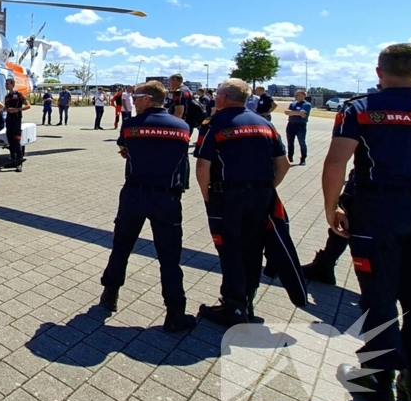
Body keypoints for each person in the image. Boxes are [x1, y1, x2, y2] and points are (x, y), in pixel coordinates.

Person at [324, 43, 411, 401]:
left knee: (379, 298)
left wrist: (332, 209)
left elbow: (335, 162)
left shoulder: (360, 108)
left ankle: (378, 378)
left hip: (377, 211)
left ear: (378, 71)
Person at [99, 81, 197, 332]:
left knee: (121, 247)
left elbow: (124, 149)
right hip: (167, 198)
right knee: (170, 257)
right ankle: (175, 312)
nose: (132, 100)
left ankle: (110, 295)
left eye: (136, 96)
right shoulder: (183, 127)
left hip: (134, 194)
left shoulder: (131, 125)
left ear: (147, 99)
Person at [194, 78, 290, 326]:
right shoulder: (265, 124)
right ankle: (247, 303)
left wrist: (207, 197)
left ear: (224, 97)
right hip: (261, 197)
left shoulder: (214, 123)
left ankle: (233, 308)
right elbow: (283, 164)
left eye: (217, 93)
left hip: (227, 197)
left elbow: (203, 166)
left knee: (230, 251)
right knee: (253, 249)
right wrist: (267, 189)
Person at [3, 77, 30, 172]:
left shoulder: (19, 95)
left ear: (13, 85)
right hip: (9, 120)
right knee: (10, 142)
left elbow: (28, 105)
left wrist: (17, 109)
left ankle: (19, 163)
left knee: (17, 142)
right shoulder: (6, 97)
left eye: (8, 83)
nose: (6, 85)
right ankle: (13, 160)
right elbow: (5, 107)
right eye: (6, 83)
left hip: (17, 120)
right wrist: (6, 109)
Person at [284, 89, 311, 165]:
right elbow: (286, 112)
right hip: (291, 125)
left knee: (301, 142)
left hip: (300, 126)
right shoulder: (293, 104)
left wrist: (292, 113)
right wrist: (297, 113)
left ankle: (303, 159)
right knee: (290, 142)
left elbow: (303, 115)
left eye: (297, 95)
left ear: (303, 96)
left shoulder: (306, 105)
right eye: (295, 95)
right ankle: (290, 157)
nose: (295, 96)